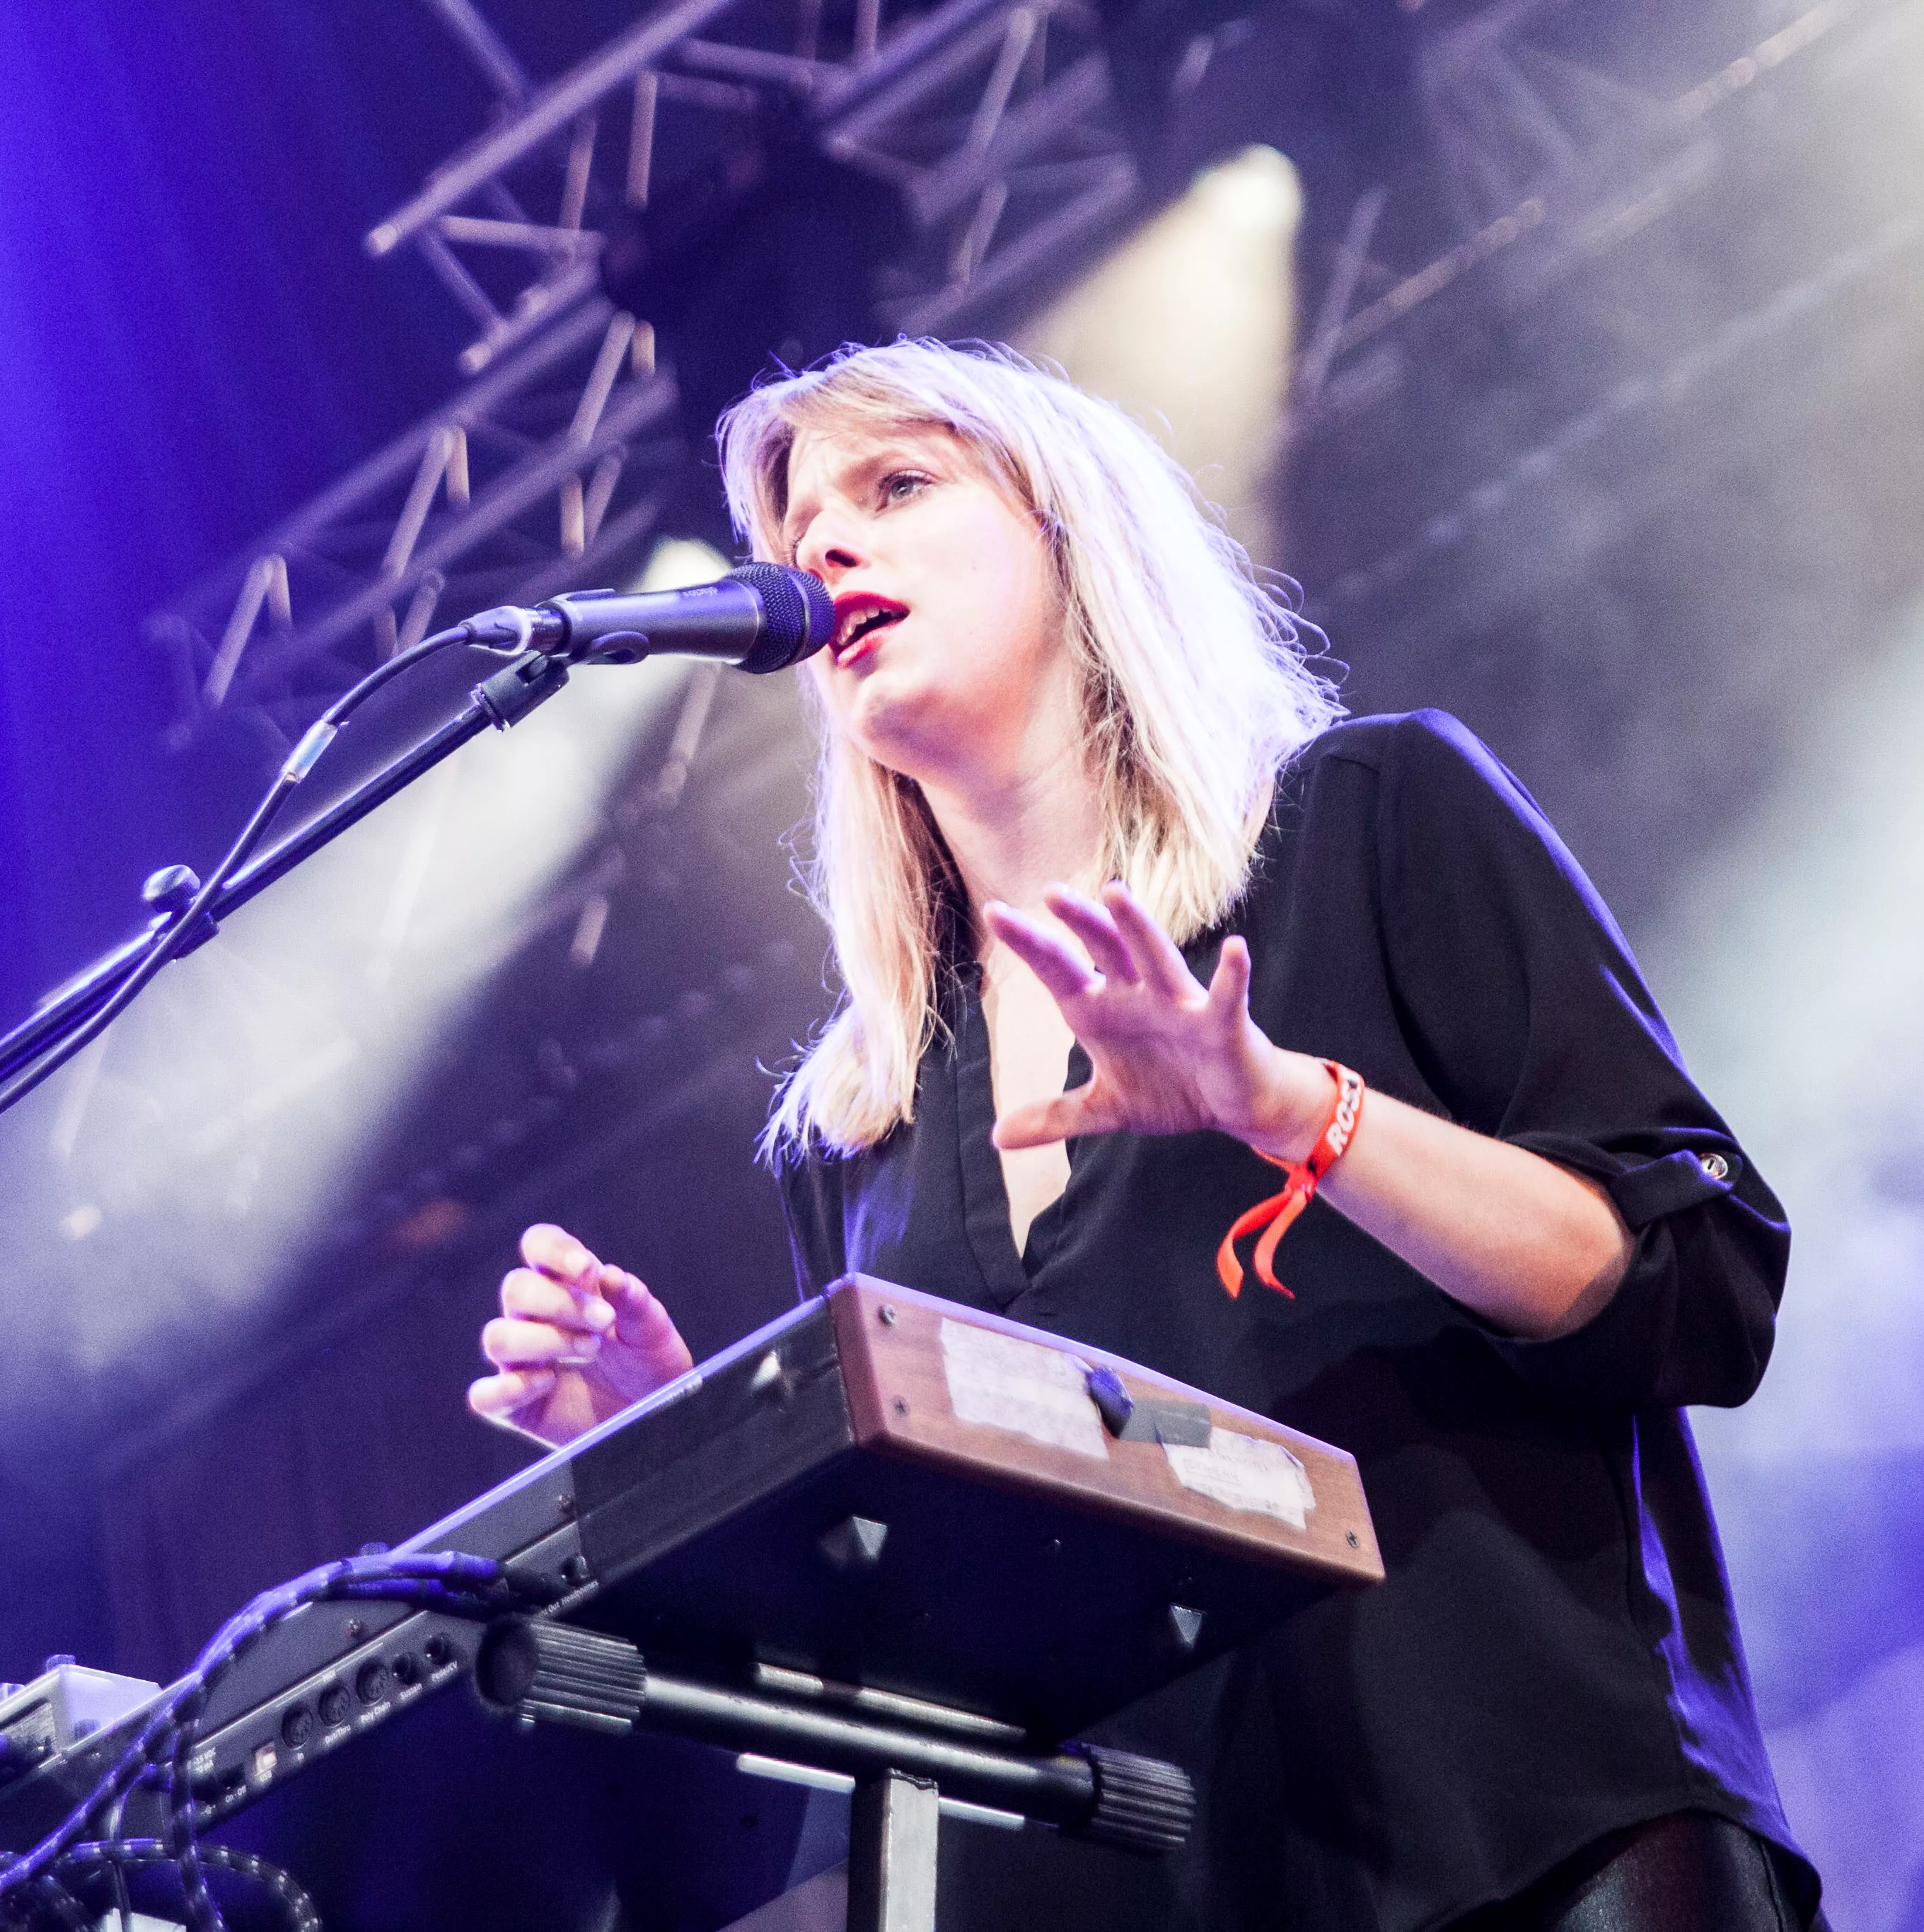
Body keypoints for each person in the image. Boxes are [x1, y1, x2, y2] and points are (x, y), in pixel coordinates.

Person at [465, 340, 1818, 1932]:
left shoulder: (1368, 819)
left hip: (1536, 1848)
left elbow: (1691, 1283)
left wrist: (1285, 1109)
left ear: (1071, 534)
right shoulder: (859, 1126)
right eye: (795, 528)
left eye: (897, 487)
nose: (822, 546)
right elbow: (914, 1639)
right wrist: (684, 1454)